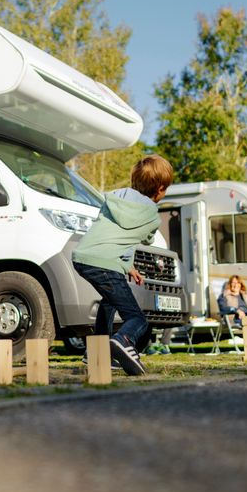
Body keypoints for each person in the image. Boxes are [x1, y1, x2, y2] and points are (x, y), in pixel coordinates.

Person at [72, 154, 174, 375]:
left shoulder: (114, 197)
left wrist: (128, 267)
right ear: (160, 188)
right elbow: (140, 239)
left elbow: (117, 237)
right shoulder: (152, 216)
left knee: (109, 302)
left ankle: (96, 353)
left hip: (82, 258)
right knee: (137, 319)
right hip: (106, 265)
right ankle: (123, 340)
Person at [217, 275, 247, 348]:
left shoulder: (244, 295)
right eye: (233, 283)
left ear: (241, 284)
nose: (236, 285)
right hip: (235, 318)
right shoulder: (224, 296)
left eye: (238, 283)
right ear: (229, 284)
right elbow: (223, 309)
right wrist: (237, 311)